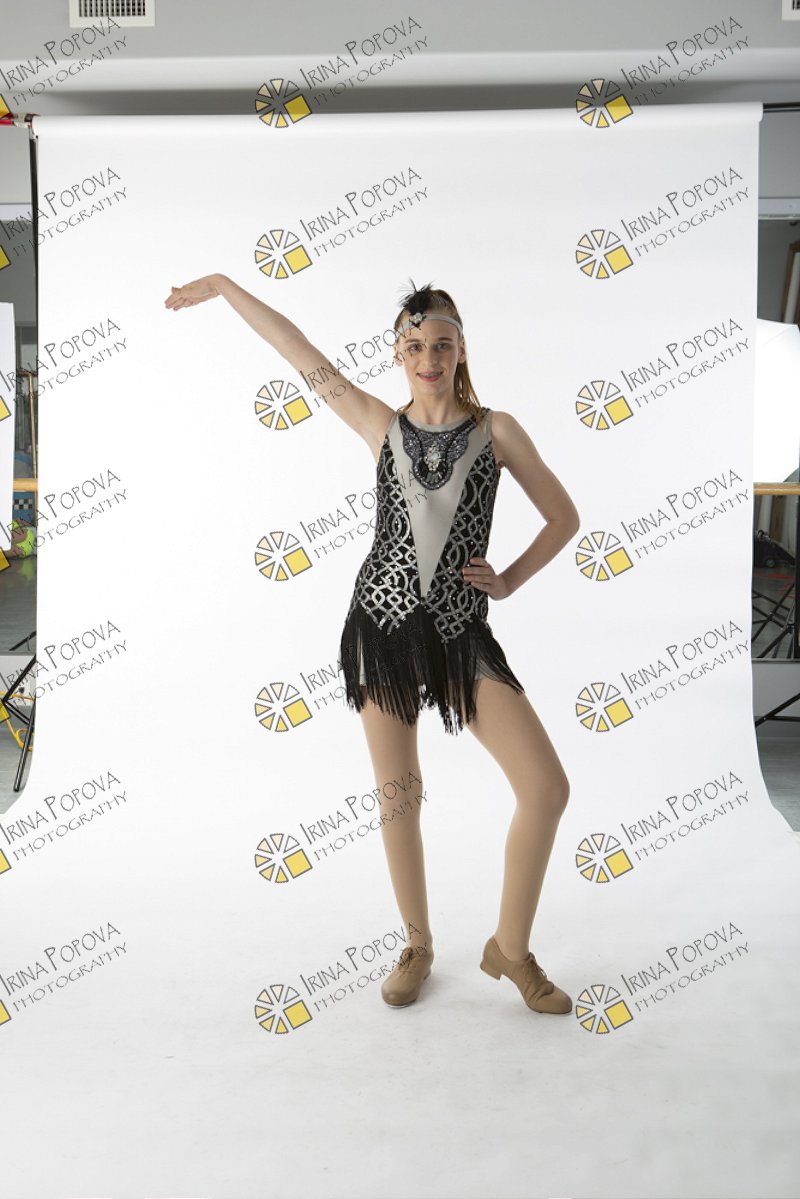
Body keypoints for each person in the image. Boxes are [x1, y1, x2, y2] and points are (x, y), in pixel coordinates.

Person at [165, 274, 581, 1015]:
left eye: (442, 344)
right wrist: (226, 287)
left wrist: (510, 580)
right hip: (381, 628)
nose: (429, 357)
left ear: (461, 349)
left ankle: (510, 949)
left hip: (459, 632)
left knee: (546, 788)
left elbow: (564, 517)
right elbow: (299, 351)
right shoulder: (378, 424)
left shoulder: (498, 432)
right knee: (399, 795)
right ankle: (417, 944)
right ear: (397, 354)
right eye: (414, 346)